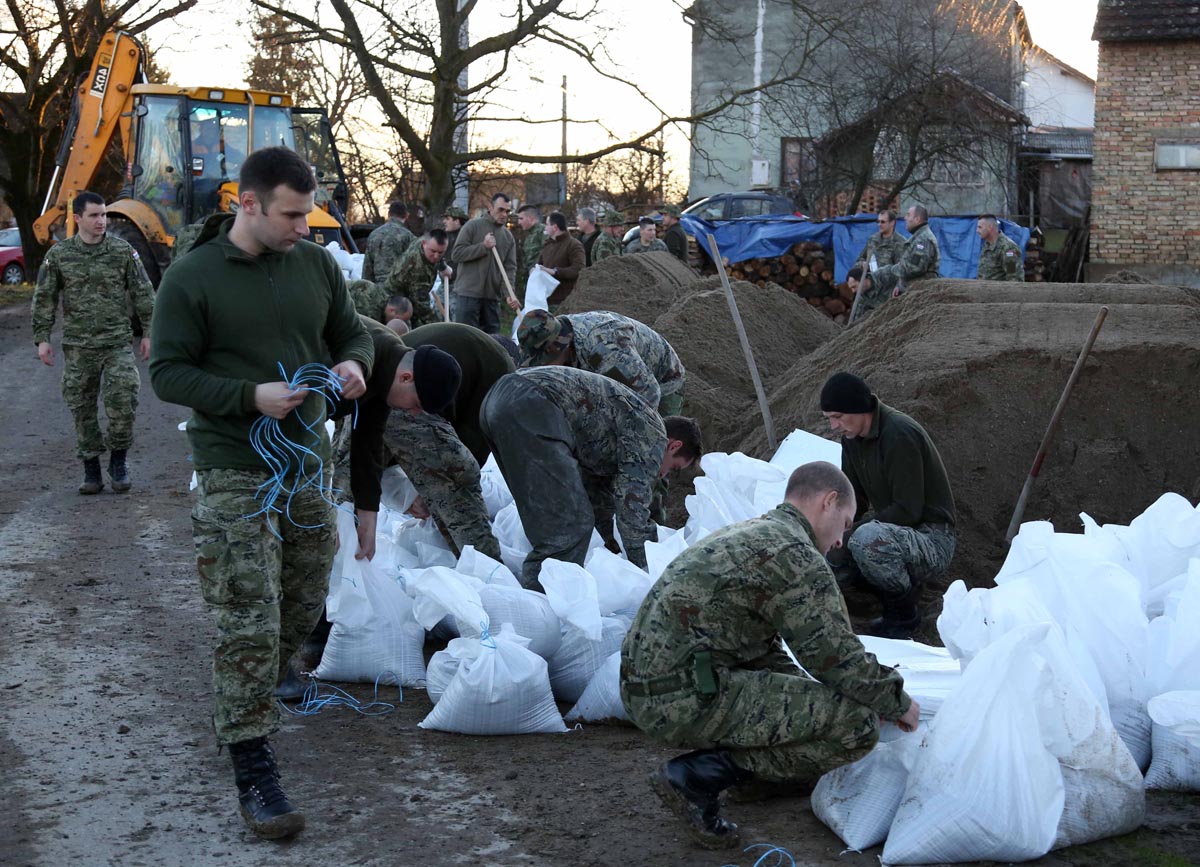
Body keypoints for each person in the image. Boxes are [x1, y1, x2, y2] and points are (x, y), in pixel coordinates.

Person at [149, 146, 374, 841]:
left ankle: (253, 684)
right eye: (292, 214)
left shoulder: (312, 266)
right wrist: (248, 395)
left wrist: (352, 363)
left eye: (307, 212)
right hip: (232, 464)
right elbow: (167, 374)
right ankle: (253, 760)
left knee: (303, 596)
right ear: (247, 204)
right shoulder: (193, 277)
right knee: (248, 607)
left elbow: (352, 331)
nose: (305, 227)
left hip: (305, 459)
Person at [620, 461, 919, 849]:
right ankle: (697, 778)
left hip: (654, 687)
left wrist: (817, 698)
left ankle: (753, 780)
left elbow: (764, 650)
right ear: (829, 502)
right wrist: (896, 701)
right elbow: (835, 658)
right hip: (680, 696)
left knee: (818, 706)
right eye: (845, 525)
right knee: (856, 725)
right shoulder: (796, 555)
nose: (841, 541)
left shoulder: (755, 533)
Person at [480, 365, 701, 588]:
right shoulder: (653, 437)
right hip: (533, 404)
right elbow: (631, 509)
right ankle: (542, 603)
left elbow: (599, 499)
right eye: (673, 468)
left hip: (499, 399)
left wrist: (611, 544)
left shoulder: (624, 435)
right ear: (673, 446)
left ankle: (538, 597)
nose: (663, 475)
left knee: (551, 518)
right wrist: (654, 571)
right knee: (570, 525)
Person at [330, 317, 511, 563]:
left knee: (346, 483)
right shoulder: (361, 360)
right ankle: (486, 567)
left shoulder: (384, 369)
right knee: (456, 481)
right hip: (283, 395)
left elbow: (365, 445)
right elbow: (460, 467)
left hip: (397, 382)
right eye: (417, 407)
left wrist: (368, 510)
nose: (416, 412)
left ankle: (337, 553)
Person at [32, 190, 155, 494]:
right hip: (78, 347)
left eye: (103, 215)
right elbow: (44, 297)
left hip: (116, 343)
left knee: (124, 400)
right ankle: (91, 471)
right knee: (82, 408)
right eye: (94, 215)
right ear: (77, 219)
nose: (101, 221)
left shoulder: (122, 251)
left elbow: (143, 291)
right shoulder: (60, 256)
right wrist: (42, 339)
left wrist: (151, 332)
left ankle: (118, 462)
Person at [819, 372, 956, 639]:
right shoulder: (852, 439)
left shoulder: (899, 434)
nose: (834, 426)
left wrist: (852, 532)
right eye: (830, 419)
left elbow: (908, 510)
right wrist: (831, 532)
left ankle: (904, 616)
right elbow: (852, 499)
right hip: (895, 531)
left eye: (837, 417)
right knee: (830, 545)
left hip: (933, 537)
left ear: (857, 409)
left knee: (865, 540)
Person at [516, 309, 685, 415]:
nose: (545, 367)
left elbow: (648, 396)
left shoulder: (605, 350)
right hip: (610, 376)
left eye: (545, 361)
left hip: (663, 383)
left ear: (561, 347)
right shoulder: (551, 330)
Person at [452, 193, 519, 332]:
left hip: (491, 298)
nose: (504, 214)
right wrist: (483, 247)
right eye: (500, 209)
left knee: (491, 341)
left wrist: (509, 294)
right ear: (490, 207)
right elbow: (457, 254)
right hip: (468, 295)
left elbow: (509, 268)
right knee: (466, 337)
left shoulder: (508, 237)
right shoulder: (472, 226)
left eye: (507, 211)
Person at [384, 229, 453, 327]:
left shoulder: (425, 242)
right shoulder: (418, 267)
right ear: (424, 243)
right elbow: (422, 306)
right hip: (398, 300)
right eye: (433, 251)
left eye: (441, 252)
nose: (436, 256)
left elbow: (438, 254)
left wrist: (443, 267)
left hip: (413, 293)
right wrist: (439, 326)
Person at [875, 204, 940, 297]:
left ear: (917, 219)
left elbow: (914, 268)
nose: (905, 218)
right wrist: (900, 285)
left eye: (908, 215)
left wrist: (889, 270)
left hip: (921, 294)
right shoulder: (918, 237)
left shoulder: (923, 239)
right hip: (913, 292)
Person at [536, 211, 586, 307]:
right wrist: (535, 270)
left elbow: (579, 269)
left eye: (547, 224)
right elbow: (540, 264)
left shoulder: (574, 245)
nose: (545, 228)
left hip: (563, 302)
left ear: (554, 227)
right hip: (545, 300)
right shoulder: (548, 244)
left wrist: (555, 271)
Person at [361, 201, 415, 283]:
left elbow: (367, 268)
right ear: (407, 216)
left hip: (377, 288)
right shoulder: (408, 236)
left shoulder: (374, 234)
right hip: (398, 287)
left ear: (389, 214)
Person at [853, 210, 907, 276]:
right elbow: (859, 260)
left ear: (892, 223)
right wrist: (863, 264)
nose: (879, 224)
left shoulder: (900, 242)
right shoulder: (873, 239)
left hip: (888, 284)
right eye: (878, 222)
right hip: (871, 281)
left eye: (882, 222)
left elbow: (900, 270)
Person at [975, 214, 1024, 281]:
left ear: (990, 227)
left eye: (980, 227)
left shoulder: (1008, 248)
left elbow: (1014, 278)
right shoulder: (987, 245)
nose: (977, 230)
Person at [516, 204, 545, 298]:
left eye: (521, 218)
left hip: (540, 281)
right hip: (530, 281)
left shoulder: (542, 231)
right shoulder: (529, 234)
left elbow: (548, 254)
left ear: (531, 218)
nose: (518, 222)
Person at [442, 205, 468, 277]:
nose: (444, 221)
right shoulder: (443, 235)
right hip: (445, 279)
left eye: (447, 219)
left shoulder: (466, 237)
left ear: (456, 221)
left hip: (460, 281)